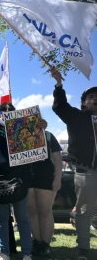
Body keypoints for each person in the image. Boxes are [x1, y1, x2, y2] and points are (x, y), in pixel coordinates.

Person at [52, 70, 97, 260]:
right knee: (84, 212)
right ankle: (83, 250)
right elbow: (60, 106)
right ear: (84, 102)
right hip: (86, 172)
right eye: (91, 97)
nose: (95, 99)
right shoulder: (76, 117)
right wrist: (59, 84)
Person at [0, 102, 32, 260]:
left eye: (10, 111)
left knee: (22, 219)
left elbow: (34, 138)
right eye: (3, 111)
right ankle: (4, 253)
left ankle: (27, 253)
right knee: (1, 219)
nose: (6, 113)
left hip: (20, 178)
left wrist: (40, 126)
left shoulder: (22, 126)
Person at [27, 130, 62, 257]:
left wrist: (58, 178)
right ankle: (37, 242)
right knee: (32, 211)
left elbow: (58, 158)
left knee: (45, 211)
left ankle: (46, 245)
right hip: (27, 177)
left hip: (46, 176)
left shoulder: (48, 135)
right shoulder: (20, 136)